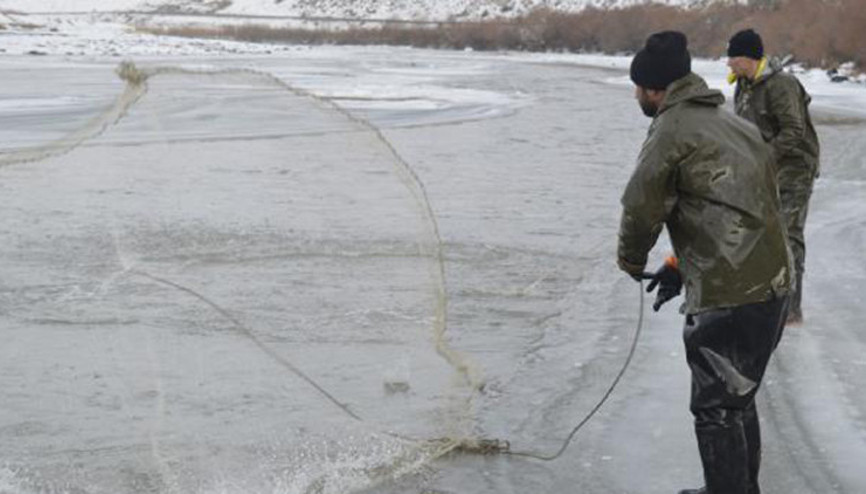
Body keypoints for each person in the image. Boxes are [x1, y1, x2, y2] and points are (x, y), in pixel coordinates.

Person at [618, 31, 792, 494]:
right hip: (772, 284)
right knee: (738, 397)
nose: (636, 94)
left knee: (716, 408)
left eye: (639, 87)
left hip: (732, 293)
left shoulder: (672, 129)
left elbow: (641, 206)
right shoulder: (728, 120)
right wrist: (679, 263)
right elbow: (732, 205)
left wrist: (631, 259)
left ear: (655, 89)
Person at [727, 28, 820, 324]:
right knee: (757, 234)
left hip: (794, 168)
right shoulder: (743, 85)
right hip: (763, 169)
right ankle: (761, 298)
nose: (729, 63)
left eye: (734, 57)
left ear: (750, 57)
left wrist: (763, 157)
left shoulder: (782, 85)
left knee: (788, 236)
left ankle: (792, 309)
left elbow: (794, 131)